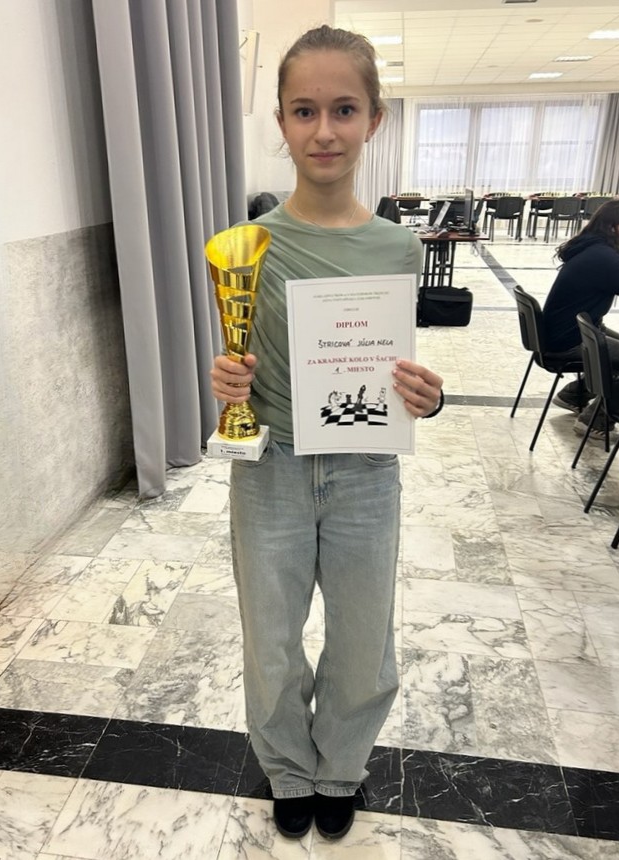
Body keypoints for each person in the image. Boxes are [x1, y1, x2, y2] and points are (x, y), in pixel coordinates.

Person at [210, 25, 444, 842]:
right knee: (270, 639)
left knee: (361, 638)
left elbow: (394, 367)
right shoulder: (248, 247)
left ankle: (340, 765)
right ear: (280, 120)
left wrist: (426, 396)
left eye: (343, 109)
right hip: (271, 469)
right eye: (303, 110)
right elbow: (241, 358)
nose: (323, 131)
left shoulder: (397, 248)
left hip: (365, 472)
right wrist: (227, 383)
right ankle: (287, 768)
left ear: (374, 118)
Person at [542, 198, 619, 439]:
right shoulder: (603, 258)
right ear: (612, 226)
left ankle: (574, 394)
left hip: (566, 333)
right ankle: (594, 420)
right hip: (569, 341)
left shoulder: (593, 248)